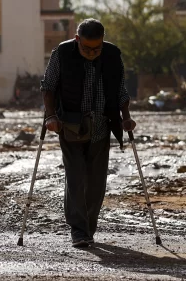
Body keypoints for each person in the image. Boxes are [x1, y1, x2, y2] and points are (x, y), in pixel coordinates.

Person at [40, 18, 136, 248]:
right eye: (87, 48)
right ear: (77, 40)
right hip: (70, 125)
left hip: (102, 125)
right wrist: (51, 116)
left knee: (96, 181)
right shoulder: (61, 53)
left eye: (97, 48)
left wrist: (126, 117)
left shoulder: (112, 55)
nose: (93, 52)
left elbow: (121, 89)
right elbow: (48, 86)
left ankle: (88, 227)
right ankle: (79, 229)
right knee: (75, 176)